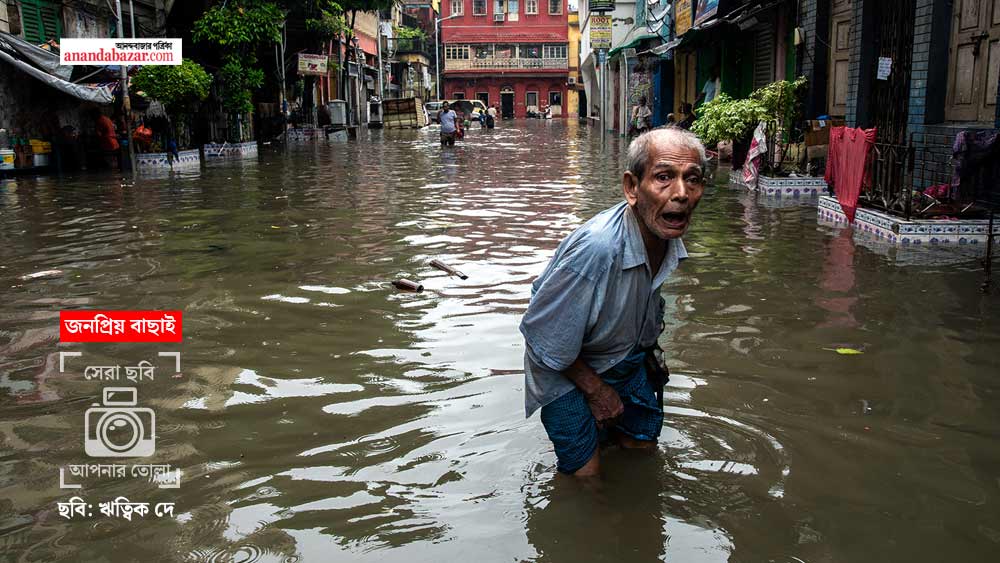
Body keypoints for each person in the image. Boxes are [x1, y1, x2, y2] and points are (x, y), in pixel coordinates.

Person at [520, 128, 707, 477]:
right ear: (632, 187)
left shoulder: (666, 238)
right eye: (664, 177)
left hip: (623, 357)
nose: (681, 193)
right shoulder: (598, 249)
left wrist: (650, 355)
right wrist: (597, 392)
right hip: (562, 369)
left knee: (642, 449)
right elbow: (541, 335)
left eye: (692, 179)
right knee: (586, 479)